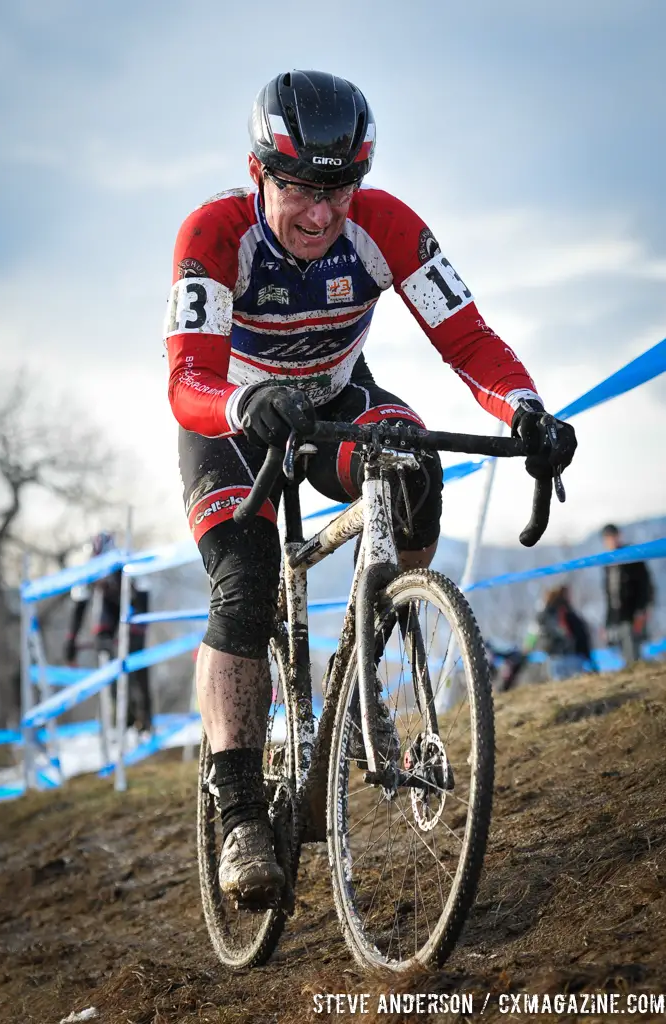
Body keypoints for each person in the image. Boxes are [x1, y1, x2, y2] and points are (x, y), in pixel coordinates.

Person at [164, 69, 578, 906]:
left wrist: (530, 409)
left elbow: (468, 340)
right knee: (243, 589)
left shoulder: (385, 227)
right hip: (231, 421)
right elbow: (185, 381)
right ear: (260, 174)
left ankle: (366, 661)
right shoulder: (213, 234)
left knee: (414, 461)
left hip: (335, 398)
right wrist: (244, 398)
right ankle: (241, 807)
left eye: (340, 189)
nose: (322, 215)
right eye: (301, 191)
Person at [65, 532, 153, 734]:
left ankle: (145, 719)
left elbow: (144, 595)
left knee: (137, 661)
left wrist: (138, 627)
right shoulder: (89, 568)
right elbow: (80, 605)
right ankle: (123, 717)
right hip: (109, 609)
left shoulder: (125, 562)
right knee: (105, 647)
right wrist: (71, 639)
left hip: (133, 604)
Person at [601, 524, 655, 665]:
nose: (610, 540)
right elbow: (609, 596)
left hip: (633, 612)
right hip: (617, 615)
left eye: (612, 536)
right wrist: (607, 622)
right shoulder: (607, 562)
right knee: (623, 651)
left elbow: (645, 584)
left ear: (618, 536)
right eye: (607, 538)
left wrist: (641, 610)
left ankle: (638, 672)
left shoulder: (631, 555)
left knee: (634, 649)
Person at [525, 584, 594, 681]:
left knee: (560, 686)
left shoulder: (543, 615)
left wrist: (528, 647)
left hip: (554, 657)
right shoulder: (569, 614)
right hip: (573, 657)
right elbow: (582, 635)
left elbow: (533, 632)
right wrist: (588, 657)